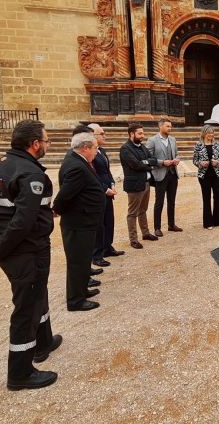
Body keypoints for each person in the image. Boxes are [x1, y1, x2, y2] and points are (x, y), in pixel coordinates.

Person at [0, 119, 61, 390]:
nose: (47, 145)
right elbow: (22, 222)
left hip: (10, 247)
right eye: (46, 141)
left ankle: (43, 341)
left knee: (38, 294)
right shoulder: (31, 175)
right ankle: (20, 373)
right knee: (27, 307)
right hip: (25, 251)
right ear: (35, 144)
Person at [53, 133, 106, 311]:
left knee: (83, 259)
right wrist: (56, 210)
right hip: (78, 222)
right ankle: (76, 300)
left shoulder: (76, 160)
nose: (96, 152)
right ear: (85, 148)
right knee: (77, 261)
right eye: (95, 148)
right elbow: (65, 195)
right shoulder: (76, 166)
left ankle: (82, 290)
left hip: (84, 221)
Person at [88, 123, 124, 267]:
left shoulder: (101, 151)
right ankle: (97, 255)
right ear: (92, 136)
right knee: (99, 224)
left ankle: (108, 247)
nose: (105, 136)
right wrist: (104, 188)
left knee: (109, 221)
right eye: (102, 134)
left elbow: (106, 171)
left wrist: (112, 183)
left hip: (108, 191)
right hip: (99, 192)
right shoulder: (91, 153)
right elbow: (92, 174)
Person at [119, 123, 159, 249]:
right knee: (132, 213)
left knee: (143, 210)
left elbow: (152, 159)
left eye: (143, 133)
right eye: (140, 133)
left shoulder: (142, 147)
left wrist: (146, 162)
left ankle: (145, 233)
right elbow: (135, 165)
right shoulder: (125, 149)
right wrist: (148, 163)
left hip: (146, 183)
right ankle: (133, 239)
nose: (143, 135)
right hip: (134, 185)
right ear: (132, 134)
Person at [146, 119, 183, 236]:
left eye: (170, 126)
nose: (170, 128)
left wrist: (177, 159)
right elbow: (148, 158)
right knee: (159, 202)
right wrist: (162, 162)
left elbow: (177, 153)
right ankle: (157, 228)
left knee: (171, 201)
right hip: (160, 175)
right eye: (167, 126)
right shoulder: (152, 140)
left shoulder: (173, 139)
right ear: (160, 126)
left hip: (172, 174)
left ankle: (171, 225)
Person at [192, 125, 219, 229]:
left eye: (212, 132)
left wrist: (218, 162)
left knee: (218, 196)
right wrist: (200, 163)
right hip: (204, 176)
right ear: (204, 133)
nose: (211, 134)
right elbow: (194, 160)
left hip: (216, 174)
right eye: (209, 133)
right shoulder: (198, 145)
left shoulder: (217, 144)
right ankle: (208, 223)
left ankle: (217, 220)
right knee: (206, 198)